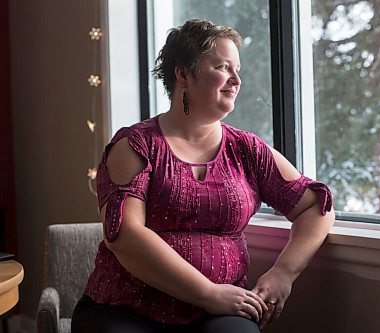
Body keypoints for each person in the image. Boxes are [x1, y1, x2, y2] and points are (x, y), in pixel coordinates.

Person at [72, 19, 334, 333]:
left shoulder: (246, 149)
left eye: (238, 70)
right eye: (223, 67)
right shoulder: (135, 145)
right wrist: (208, 293)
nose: (236, 80)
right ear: (183, 74)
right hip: (125, 307)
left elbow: (316, 207)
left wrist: (284, 273)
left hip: (219, 313)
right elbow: (124, 236)